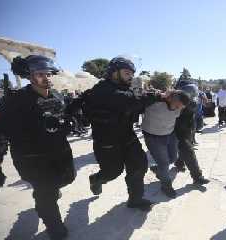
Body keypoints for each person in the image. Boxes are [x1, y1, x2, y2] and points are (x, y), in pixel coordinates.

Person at [0, 55, 76, 240]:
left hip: (60, 153)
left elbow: (63, 118)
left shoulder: (57, 95)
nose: (46, 78)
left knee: (64, 181)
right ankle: (54, 226)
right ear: (29, 76)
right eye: (40, 74)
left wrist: (68, 123)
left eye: (48, 74)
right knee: (46, 194)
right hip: (33, 158)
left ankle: (46, 194)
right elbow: (2, 129)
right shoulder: (16, 101)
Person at [84, 56, 165, 211]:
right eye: (127, 73)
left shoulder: (123, 88)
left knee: (139, 166)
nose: (130, 77)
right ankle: (96, 179)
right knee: (112, 172)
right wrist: (154, 95)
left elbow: (136, 106)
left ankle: (135, 199)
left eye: (131, 74)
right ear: (114, 73)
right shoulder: (102, 90)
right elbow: (131, 101)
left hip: (127, 136)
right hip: (107, 141)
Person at [142, 90, 190, 198]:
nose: (179, 108)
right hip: (153, 136)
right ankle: (166, 186)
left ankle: (158, 170)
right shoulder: (154, 102)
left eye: (181, 107)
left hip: (169, 134)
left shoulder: (180, 107)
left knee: (173, 158)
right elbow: (140, 97)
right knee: (164, 163)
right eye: (177, 105)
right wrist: (156, 94)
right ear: (170, 99)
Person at [173, 83, 210, 185]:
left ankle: (179, 163)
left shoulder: (193, 100)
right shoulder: (177, 102)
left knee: (184, 149)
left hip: (188, 128)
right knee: (188, 151)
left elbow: (195, 112)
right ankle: (197, 177)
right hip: (179, 130)